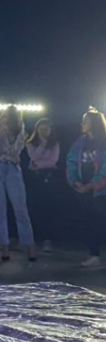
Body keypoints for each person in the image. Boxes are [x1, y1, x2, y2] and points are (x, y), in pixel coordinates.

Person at [0, 105, 36, 262]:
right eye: (2, 116)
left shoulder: (21, 133)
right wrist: (2, 156)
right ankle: (4, 247)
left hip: (13, 170)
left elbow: (18, 151)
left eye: (6, 117)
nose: (2, 119)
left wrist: (9, 154)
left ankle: (29, 246)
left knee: (20, 208)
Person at [66, 108, 106, 267]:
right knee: (89, 222)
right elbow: (71, 161)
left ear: (93, 123)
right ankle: (94, 254)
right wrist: (75, 181)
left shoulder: (104, 142)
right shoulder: (80, 142)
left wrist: (92, 184)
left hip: (101, 190)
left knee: (101, 221)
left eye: (85, 121)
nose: (82, 124)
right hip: (84, 189)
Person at [26, 118, 60, 253]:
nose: (44, 131)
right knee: (34, 207)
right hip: (34, 179)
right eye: (41, 128)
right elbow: (33, 156)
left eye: (46, 129)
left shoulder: (55, 144)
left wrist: (37, 164)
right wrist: (43, 144)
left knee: (47, 208)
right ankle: (32, 238)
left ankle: (47, 239)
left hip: (48, 178)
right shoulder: (30, 143)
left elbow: (53, 161)